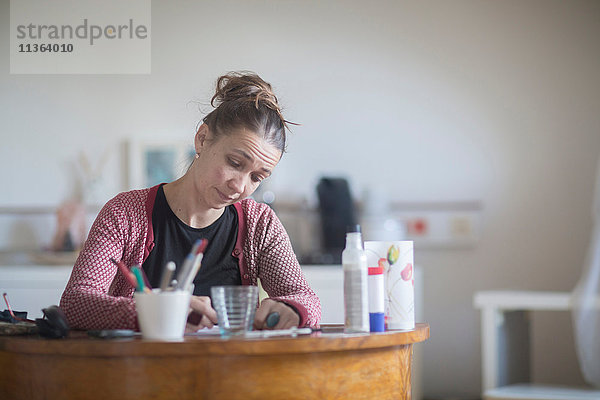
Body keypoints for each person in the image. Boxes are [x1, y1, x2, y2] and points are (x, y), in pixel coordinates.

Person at [60, 71, 321, 332]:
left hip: (234, 370)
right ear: (202, 139)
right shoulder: (125, 214)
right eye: (234, 163)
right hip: (140, 370)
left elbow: (305, 299)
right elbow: (76, 303)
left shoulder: (260, 224)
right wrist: (159, 312)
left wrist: (293, 310)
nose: (240, 186)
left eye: (256, 177)